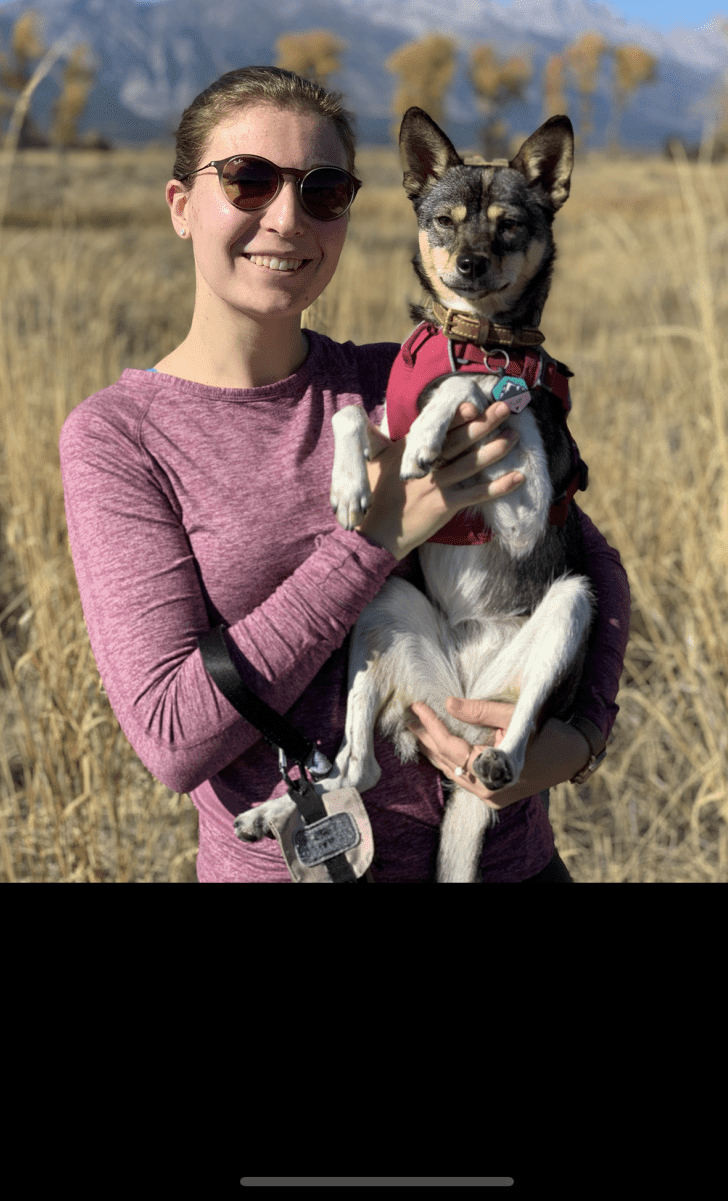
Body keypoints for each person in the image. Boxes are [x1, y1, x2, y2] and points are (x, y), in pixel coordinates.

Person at [59, 66, 629, 883]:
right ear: (181, 205)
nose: (286, 218)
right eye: (248, 181)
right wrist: (379, 539)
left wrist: (577, 742)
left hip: (509, 864)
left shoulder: (401, 377)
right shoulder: (122, 439)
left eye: (323, 191)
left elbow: (589, 558)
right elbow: (172, 736)